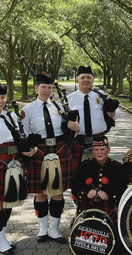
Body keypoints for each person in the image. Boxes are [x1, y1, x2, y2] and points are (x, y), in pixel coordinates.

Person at [21, 73, 80, 244]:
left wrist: (76, 127)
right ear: (36, 88)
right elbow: (23, 133)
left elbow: (69, 129)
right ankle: (43, 229)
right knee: (40, 193)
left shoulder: (59, 107)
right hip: (38, 152)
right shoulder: (27, 110)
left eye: (49, 88)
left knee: (57, 192)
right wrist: (27, 149)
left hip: (59, 149)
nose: (47, 90)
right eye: (43, 87)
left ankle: (54, 230)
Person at [68, 66, 120, 172]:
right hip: (77, 142)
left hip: (99, 140)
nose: (86, 80)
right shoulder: (69, 99)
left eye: (89, 77)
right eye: (83, 77)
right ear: (77, 80)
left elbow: (116, 113)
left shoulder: (101, 97)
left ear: (93, 79)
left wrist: (112, 112)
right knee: (78, 177)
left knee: (101, 174)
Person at [71, 136, 127, 224]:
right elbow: (75, 187)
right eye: (96, 150)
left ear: (108, 150)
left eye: (102, 149)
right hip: (88, 204)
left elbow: (122, 190)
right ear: (92, 152)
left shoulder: (117, 167)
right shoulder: (83, 166)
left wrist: (109, 196)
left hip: (109, 205)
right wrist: (86, 194)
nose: (99, 152)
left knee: (117, 223)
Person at [0, 84, 26, 255]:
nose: (1, 101)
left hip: (11, 162)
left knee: (8, 201)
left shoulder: (9, 115)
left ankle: (1, 236)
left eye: (2, 98)